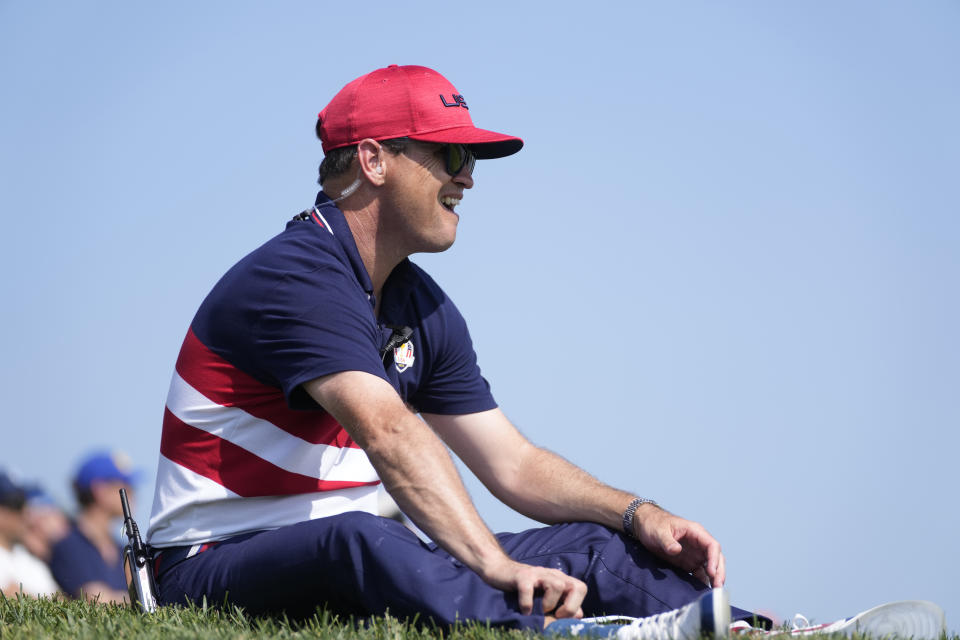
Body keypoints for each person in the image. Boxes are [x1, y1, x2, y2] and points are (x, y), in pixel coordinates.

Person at [145, 65, 945, 639]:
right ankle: (575, 634)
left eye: (471, 161)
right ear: (374, 160)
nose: (468, 180)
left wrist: (641, 513)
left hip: (350, 547)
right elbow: (389, 434)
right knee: (366, 533)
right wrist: (493, 567)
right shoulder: (297, 274)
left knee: (599, 542)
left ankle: (752, 633)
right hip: (209, 565)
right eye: (451, 156)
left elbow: (515, 466)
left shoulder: (418, 303)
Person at [48, 451, 136, 603]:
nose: (133, 493)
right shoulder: (69, 544)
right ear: (100, 490)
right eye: (126, 487)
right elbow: (95, 598)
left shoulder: (119, 548)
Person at [0, 469, 60, 598]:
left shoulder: (31, 562)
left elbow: (62, 604)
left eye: (26, 504)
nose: (25, 512)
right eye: (16, 504)